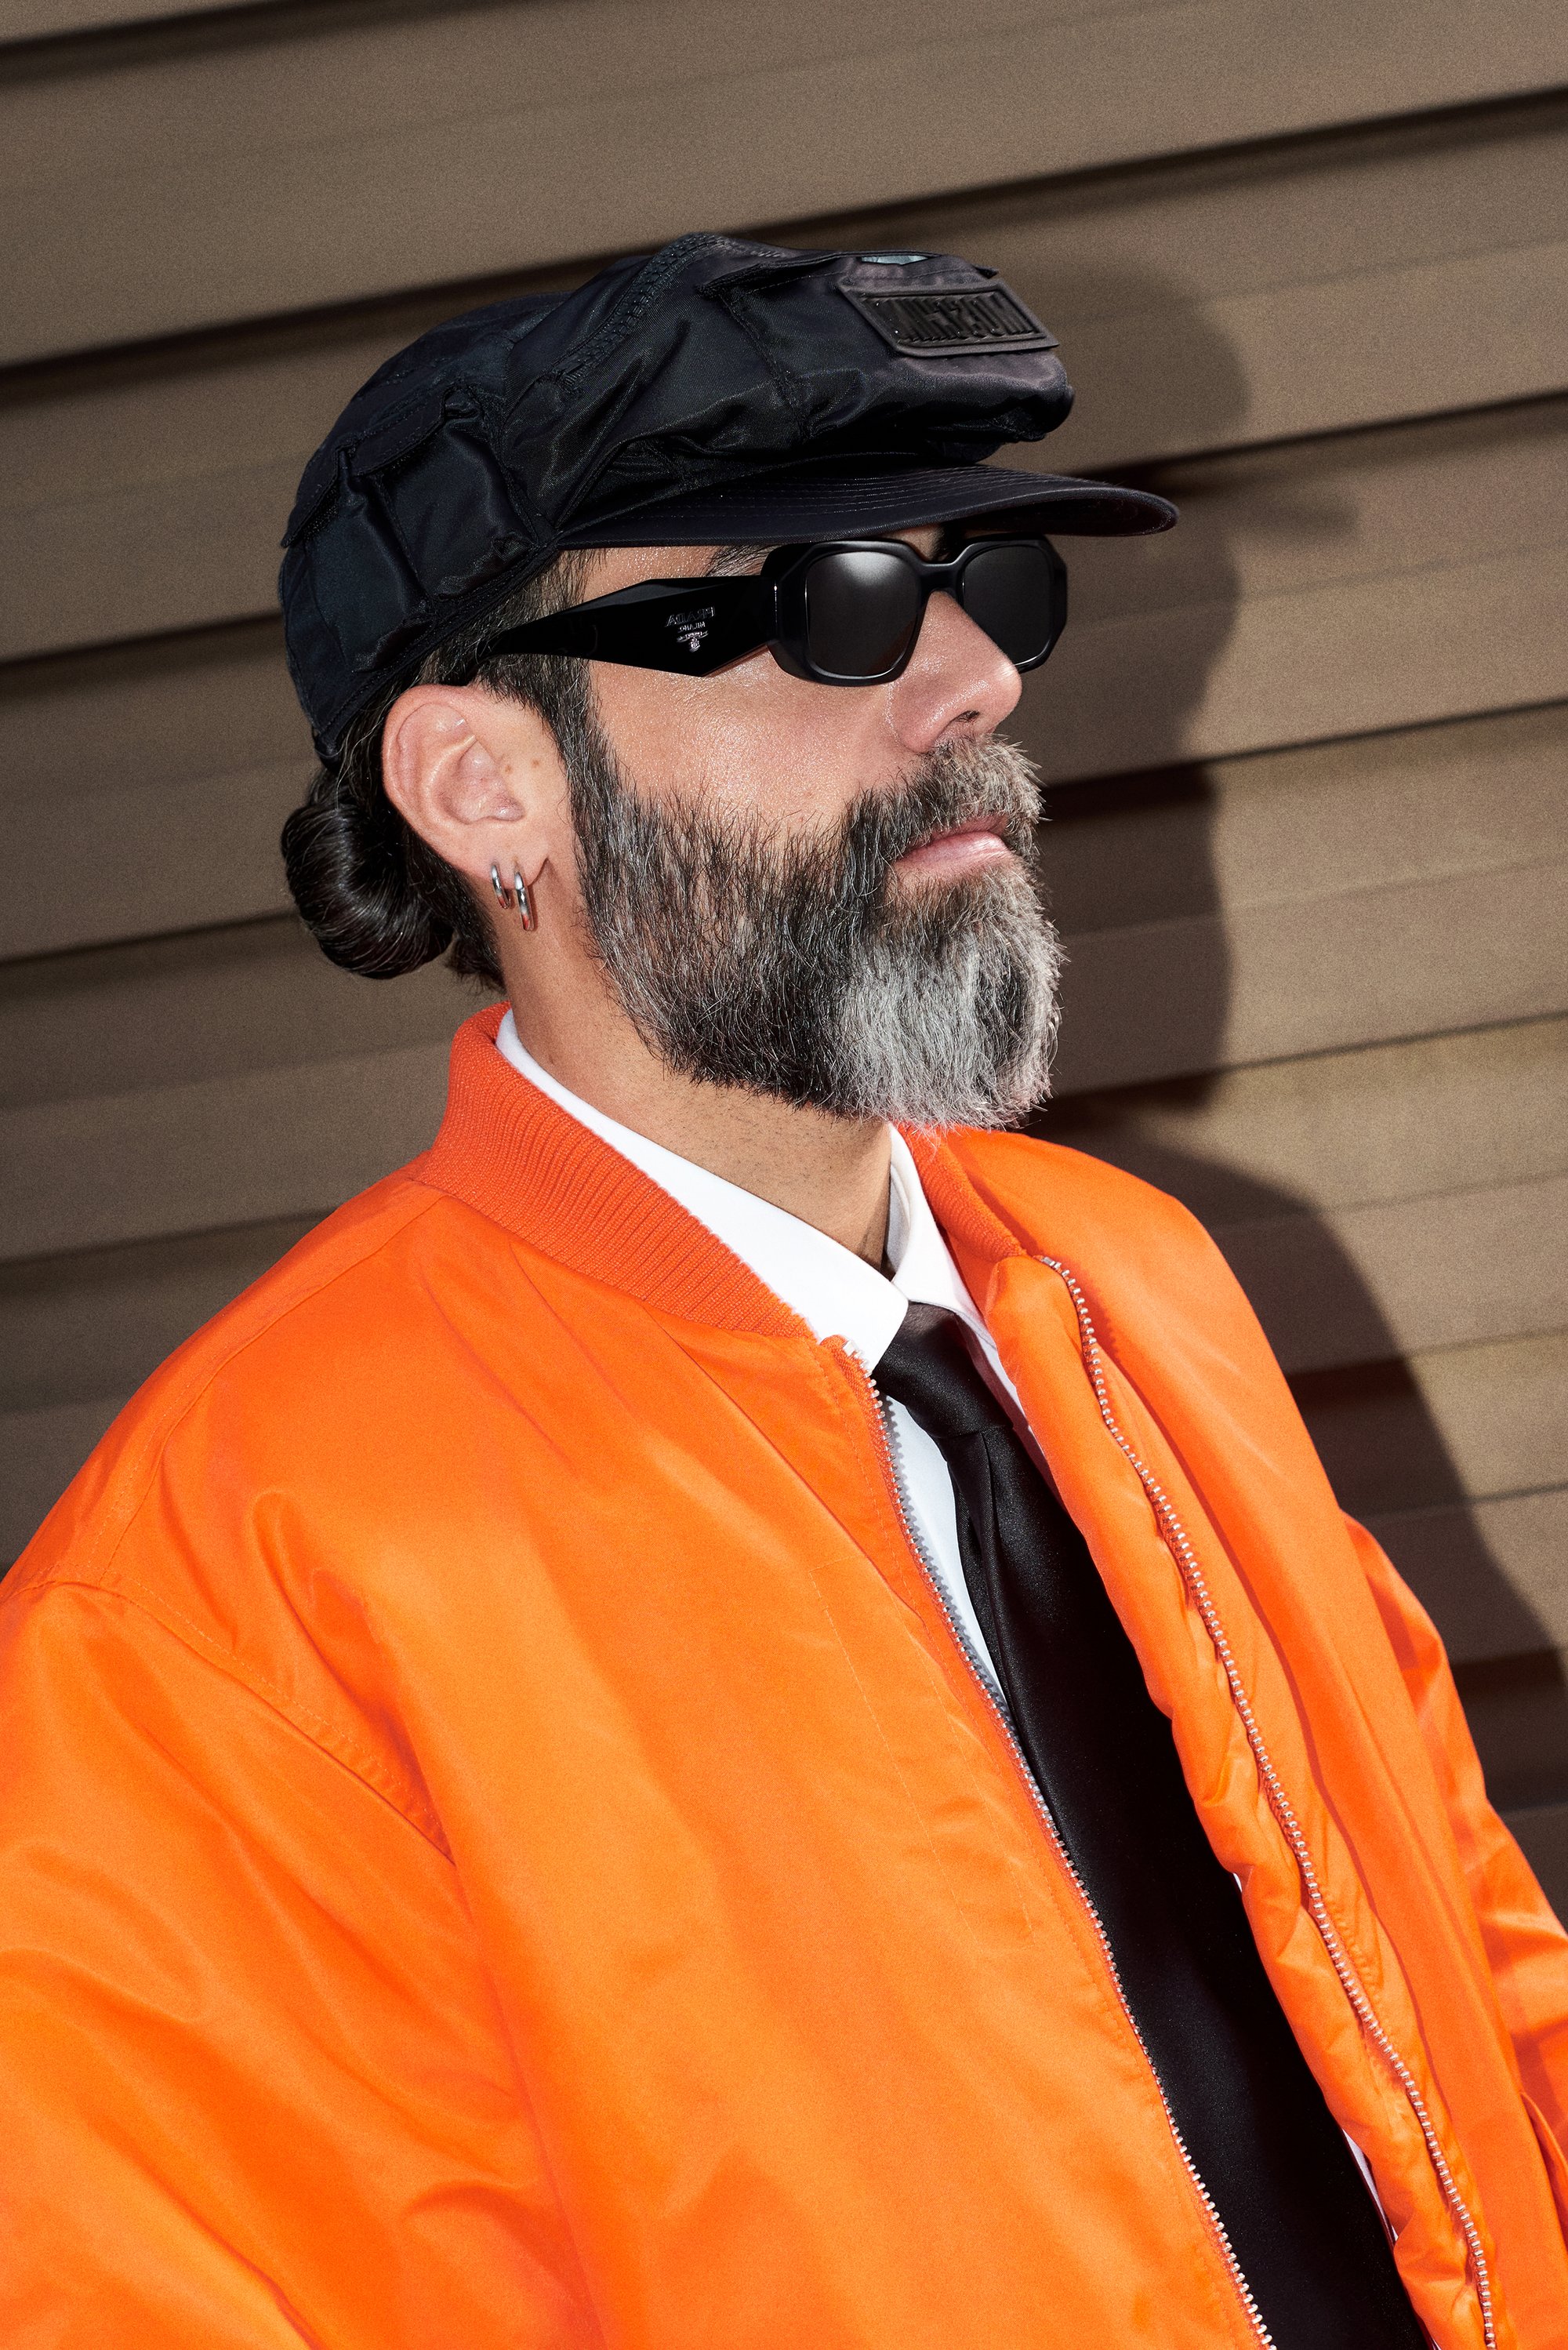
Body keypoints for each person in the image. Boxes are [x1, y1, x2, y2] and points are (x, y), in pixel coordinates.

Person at [1, 234, 1564, 2350]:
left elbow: (1463, 1958)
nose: (979, 679)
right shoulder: (224, 1585)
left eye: (984, 585)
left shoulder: (1129, 1279)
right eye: (827, 604)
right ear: (484, 785)